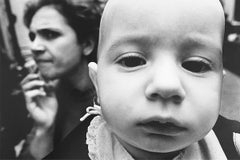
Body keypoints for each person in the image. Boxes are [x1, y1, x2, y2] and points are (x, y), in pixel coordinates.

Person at [84, 0, 240, 159]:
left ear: (219, 86)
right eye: (133, 61)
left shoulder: (233, 144)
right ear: (97, 82)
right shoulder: (70, 152)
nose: (166, 85)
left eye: (195, 65)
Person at [19, 0, 105, 159]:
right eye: (32, 36)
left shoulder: (110, 99)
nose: (34, 47)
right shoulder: (49, 94)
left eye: (50, 34)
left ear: (87, 44)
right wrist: (44, 128)